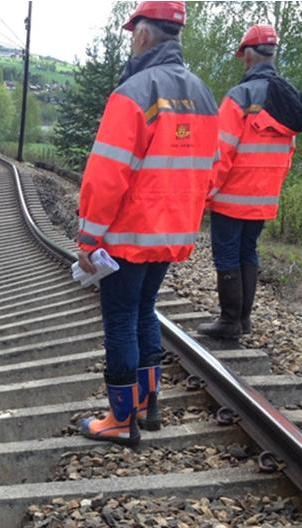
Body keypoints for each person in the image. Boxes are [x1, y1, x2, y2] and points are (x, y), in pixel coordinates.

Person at [76, 0, 218, 447]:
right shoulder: (203, 93)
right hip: (172, 232)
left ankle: (120, 421)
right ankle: (147, 406)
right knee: (145, 311)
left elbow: (107, 172)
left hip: (127, 233)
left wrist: (89, 235)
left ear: (142, 34)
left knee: (120, 319)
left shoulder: (135, 91)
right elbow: (210, 169)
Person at [198, 24, 302, 338]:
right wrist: (271, 187)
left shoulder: (240, 96)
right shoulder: (288, 97)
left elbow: (222, 153)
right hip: (264, 197)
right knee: (249, 251)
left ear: (248, 54)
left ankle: (229, 321)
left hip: (232, 196)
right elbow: (289, 152)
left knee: (228, 254)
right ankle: (243, 320)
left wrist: (206, 195)